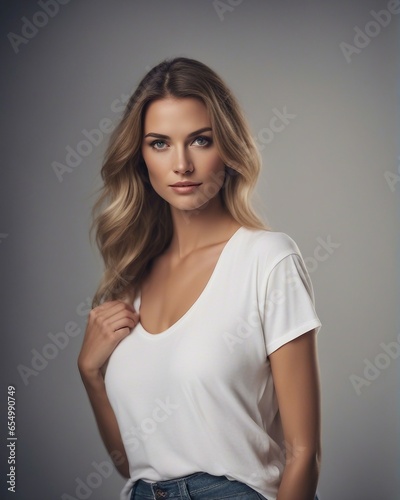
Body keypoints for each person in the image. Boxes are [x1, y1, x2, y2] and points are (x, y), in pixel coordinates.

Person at [77, 57, 322, 500]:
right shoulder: (131, 280)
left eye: (200, 141)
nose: (182, 164)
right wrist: (90, 374)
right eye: (159, 144)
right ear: (140, 156)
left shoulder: (267, 260)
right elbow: (133, 463)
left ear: (227, 148)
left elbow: (304, 453)